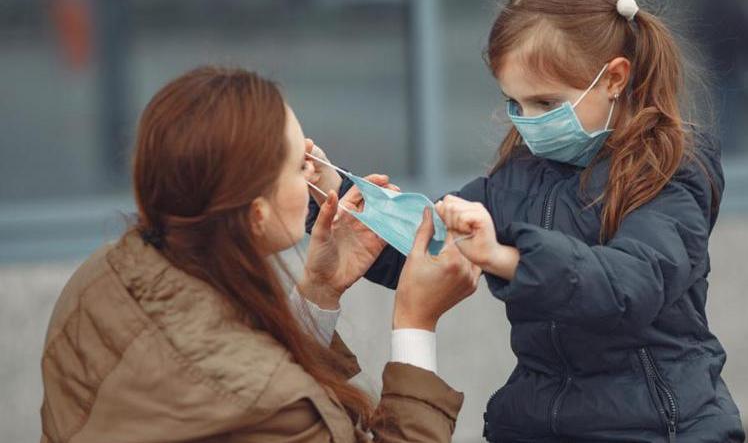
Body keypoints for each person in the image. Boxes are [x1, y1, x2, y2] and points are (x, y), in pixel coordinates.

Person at [308, 0, 744, 441]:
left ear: (614, 78)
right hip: (534, 424)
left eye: (546, 103)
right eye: (514, 103)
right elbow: (427, 245)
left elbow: (630, 285)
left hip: (660, 428)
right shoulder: (517, 174)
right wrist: (334, 195)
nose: (529, 122)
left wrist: (509, 259)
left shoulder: (670, 172)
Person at [39, 66, 481, 442]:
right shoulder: (278, 411)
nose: (316, 171)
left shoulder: (101, 278)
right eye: (298, 164)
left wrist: (319, 293)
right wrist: (415, 324)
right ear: (257, 213)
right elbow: (257, 391)